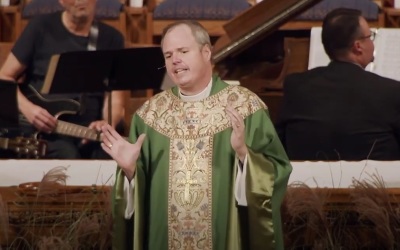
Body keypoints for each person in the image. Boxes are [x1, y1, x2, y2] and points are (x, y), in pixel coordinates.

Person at [100, 20, 292, 249]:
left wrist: (244, 155)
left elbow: (276, 171)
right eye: (168, 55)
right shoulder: (150, 116)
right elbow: (135, 207)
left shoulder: (245, 106)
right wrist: (130, 172)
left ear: (206, 52)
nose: (175, 60)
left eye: (183, 51)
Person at [0, 0, 125, 159]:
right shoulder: (40, 27)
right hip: (42, 131)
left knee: (111, 156)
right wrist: (29, 109)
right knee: (67, 157)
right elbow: (4, 77)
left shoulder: (112, 38)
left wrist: (108, 122)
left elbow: (115, 97)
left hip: (88, 131)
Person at [276, 8, 400, 161]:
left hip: (307, 183)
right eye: (371, 37)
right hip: (376, 184)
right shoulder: (391, 92)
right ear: (358, 46)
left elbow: (277, 147)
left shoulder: (295, 86)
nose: (372, 42)